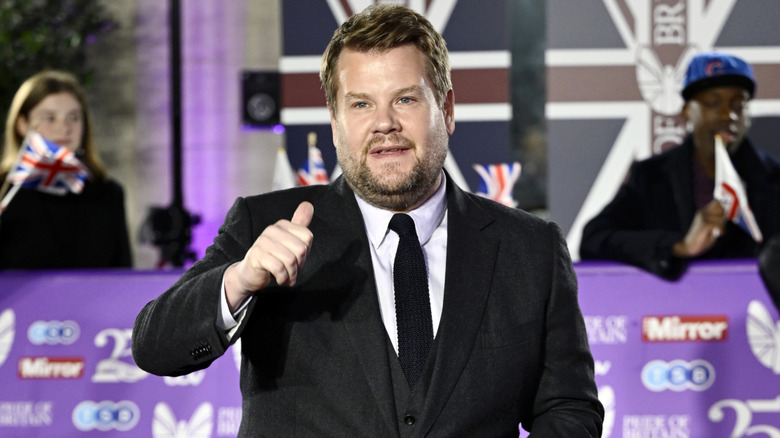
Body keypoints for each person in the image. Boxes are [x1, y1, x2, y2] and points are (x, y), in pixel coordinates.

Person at [132, 5, 603, 436]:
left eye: (405, 100)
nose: (384, 124)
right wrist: (237, 280)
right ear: (335, 124)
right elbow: (155, 346)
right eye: (360, 104)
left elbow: (568, 409)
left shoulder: (530, 246)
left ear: (448, 109)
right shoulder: (265, 223)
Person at [580, 52, 780, 280]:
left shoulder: (774, 178)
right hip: (675, 310)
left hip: (758, 311)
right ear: (687, 112)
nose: (729, 115)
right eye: (713, 103)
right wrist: (680, 246)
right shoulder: (651, 176)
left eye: (739, 105)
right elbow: (594, 240)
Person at [0, 70, 132, 269]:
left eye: (74, 117)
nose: (64, 128)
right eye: (49, 117)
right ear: (22, 125)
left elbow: (123, 275)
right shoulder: (5, 190)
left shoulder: (108, 193)